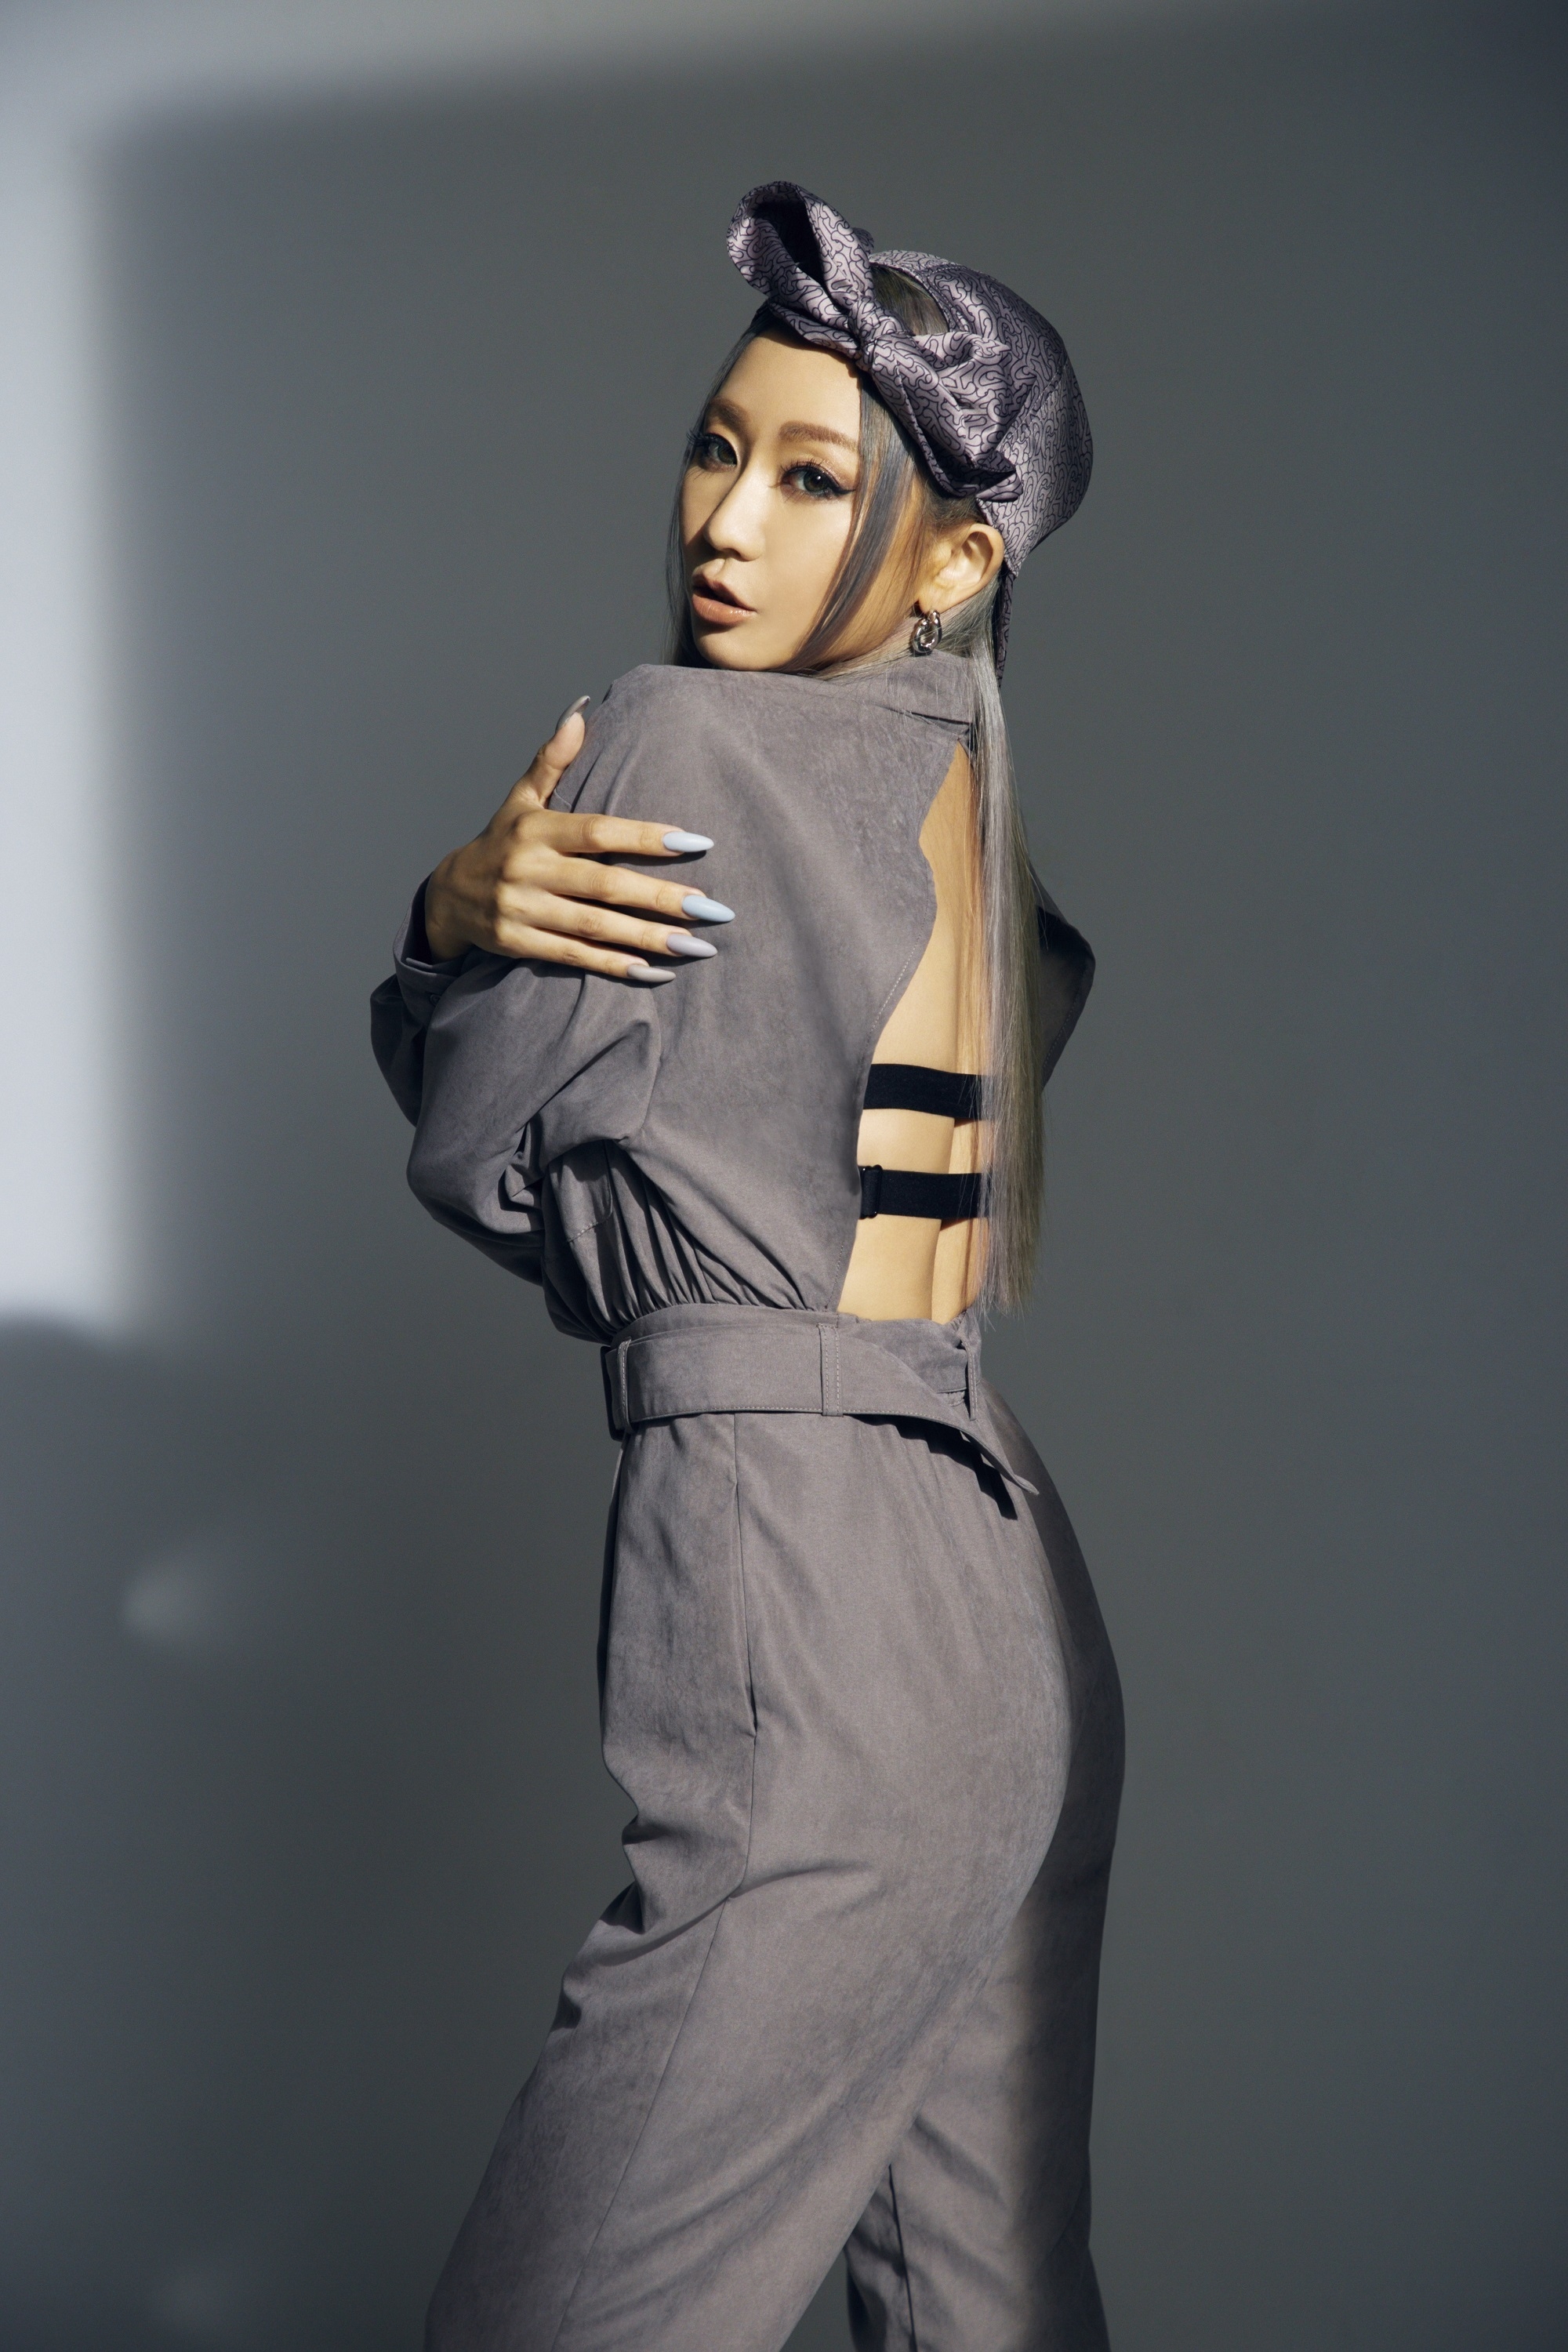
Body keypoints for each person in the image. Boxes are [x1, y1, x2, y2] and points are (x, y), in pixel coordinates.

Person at [373, 181, 1123, 2352]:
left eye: (813, 477)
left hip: (802, 1577)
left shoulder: (677, 738)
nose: (724, 520)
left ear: (955, 560)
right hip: (1016, 1599)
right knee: (987, 2312)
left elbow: (481, 1161)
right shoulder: (984, 821)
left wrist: (444, 928)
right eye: (719, 448)